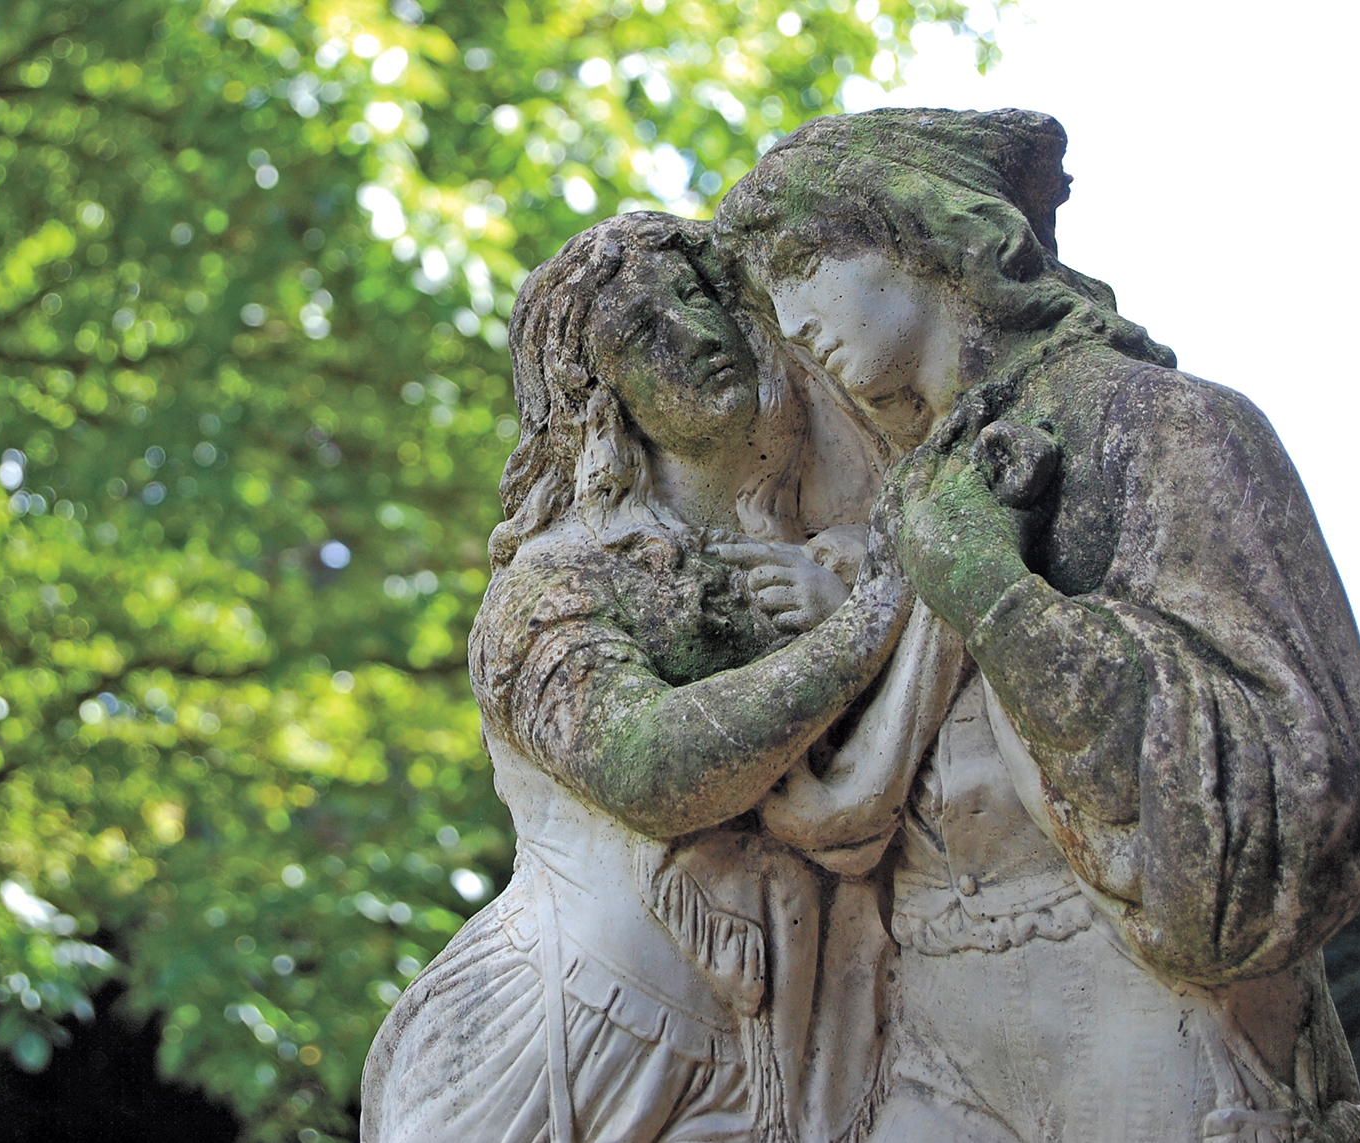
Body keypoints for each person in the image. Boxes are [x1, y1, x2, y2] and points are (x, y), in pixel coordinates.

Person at [717, 107, 1360, 1143]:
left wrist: (994, 597)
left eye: (805, 259)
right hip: (925, 1022)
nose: (791, 316)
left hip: (1140, 1015)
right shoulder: (910, 497)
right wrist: (858, 632)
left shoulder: (1159, 425)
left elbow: (1295, 787)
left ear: (923, 234)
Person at [360, 211, 962, 1143]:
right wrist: (877, 621)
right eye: (645, 332)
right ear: (604, 397)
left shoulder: (820, 556)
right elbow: (651, 766)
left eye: (696, 297)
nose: (695, 333)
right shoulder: (550, 586)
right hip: (569, 1055)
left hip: (787, 1048)